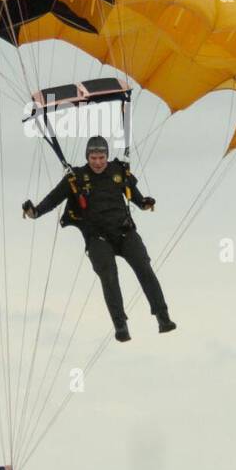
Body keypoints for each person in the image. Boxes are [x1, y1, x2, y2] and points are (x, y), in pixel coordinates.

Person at [22, 135, 176, 342]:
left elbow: (136, 198)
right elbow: (52, 199)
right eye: (93, 158)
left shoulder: (119, 172)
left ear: (107, 156)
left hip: (124, 232)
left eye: (101, 157)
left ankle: (162, 316)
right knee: (109, 274)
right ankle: (120, 324)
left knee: (144, 267)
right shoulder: (75, 177)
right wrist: (35, 212)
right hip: (98, 238)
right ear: (87, 157)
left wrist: (145, 203)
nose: (98, 162)